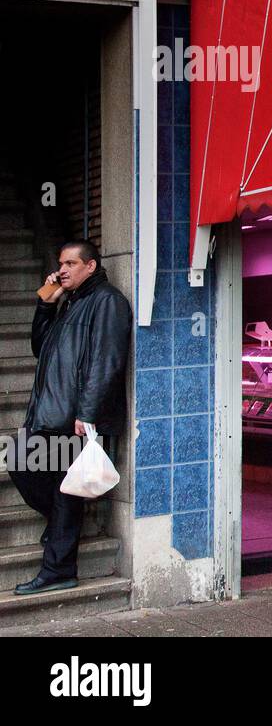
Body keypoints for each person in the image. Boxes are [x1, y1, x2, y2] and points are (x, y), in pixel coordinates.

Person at [10, 240, 131, 595]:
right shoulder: (70, 303)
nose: (62, 270)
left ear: (90, 266)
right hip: (51, 413)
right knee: (20, 461)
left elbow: (106, 361)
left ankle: (59, 568)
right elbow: (40, 349)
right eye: (60, 263)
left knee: (64, 492)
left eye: (70, 263)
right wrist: (45, 307)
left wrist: (88, 413)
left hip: (76, 417)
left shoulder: (107, 302)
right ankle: (63, 526)